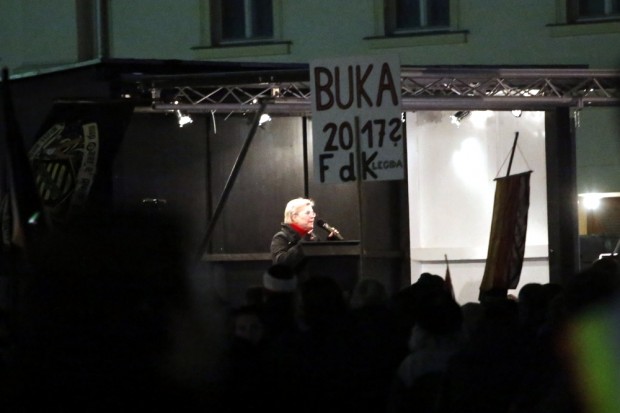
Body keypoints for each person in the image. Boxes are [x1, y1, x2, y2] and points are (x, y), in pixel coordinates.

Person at [270, 197, 338, 272]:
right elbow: (280, 265)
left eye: (313, 213)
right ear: (294, 217)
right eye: (308, 213)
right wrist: (303, 244)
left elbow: (322, 263)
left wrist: (331, 242)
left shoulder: (313, 237)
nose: (312, 216)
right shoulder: (281, 237)